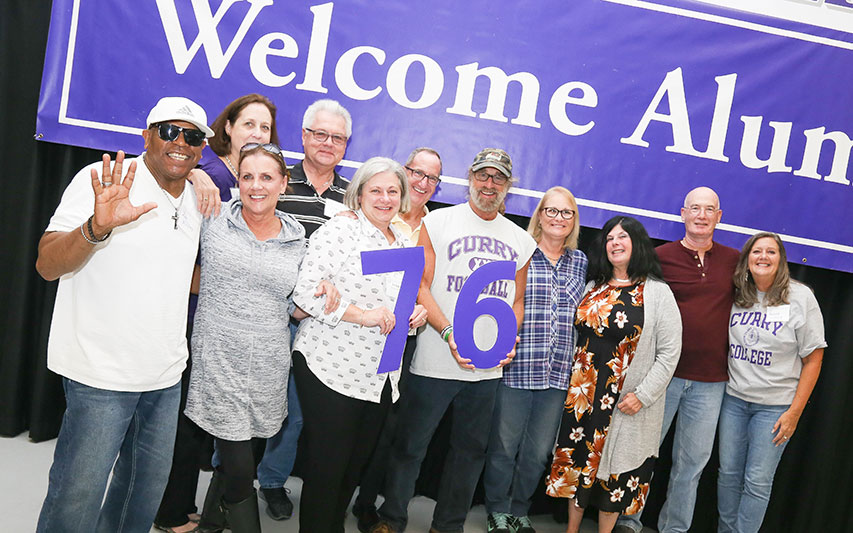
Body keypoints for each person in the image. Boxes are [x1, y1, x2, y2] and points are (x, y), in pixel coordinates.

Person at [34, 96, 213, 533]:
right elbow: (47, 264)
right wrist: (97, 228)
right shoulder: (102, 180)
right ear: (147, 136)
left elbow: (179, 271)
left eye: (192, 136)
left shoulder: (195, 198)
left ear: (201, 148)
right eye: (170, 131)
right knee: (76, 500)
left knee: (140, 498)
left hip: (165, 377)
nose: (180, 143)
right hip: (99, 374)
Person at [371, 148, 536, 533]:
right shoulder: (439, 222)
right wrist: (447, 332)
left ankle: (447, 525)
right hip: (434, 357)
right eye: (483, 176)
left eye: (498, 178)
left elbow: (517, 300)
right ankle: (392, 519)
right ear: (470, 178)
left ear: (508, 186)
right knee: (411, 447)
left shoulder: (520, 240)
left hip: (486, 369)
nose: (489, 184)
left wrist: (508, 338)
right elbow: (421, 286)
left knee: (470, 453)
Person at [155, 92, 281, 533]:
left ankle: (199, 511)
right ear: (227, 127)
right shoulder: (205, 170)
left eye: (264, 128)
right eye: (249, 124)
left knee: (212, 423)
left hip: (236, 323)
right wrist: (194, 175)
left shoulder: (253, 178)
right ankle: (171, 509)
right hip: (196, 312)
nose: (256, 134)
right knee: (189, 419)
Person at [291, 157, 428, 532]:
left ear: (402, 197)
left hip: (378, 378)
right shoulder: (341, 231)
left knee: (352, 471)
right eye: (376, 190)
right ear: (359, 194)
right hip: (330, 367)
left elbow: (397, 308)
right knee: (327, 471)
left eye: (392, 191)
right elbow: (305, 294)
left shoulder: (403, 242)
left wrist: (413, 316)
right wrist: (362, 314)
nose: (385, 198)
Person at [614, 187, 739, 533]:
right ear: (682, 213)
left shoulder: (734, 260)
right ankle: (628, 522)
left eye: (709, 209)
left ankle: (675, 528)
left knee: (692, 464)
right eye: (695, 208)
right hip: (661, 378)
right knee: (641, 454)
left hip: (712, 381)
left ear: (719, 216)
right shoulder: (659, 258)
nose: (701, 215)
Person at [547, 216, 682, 533]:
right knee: (578, 465)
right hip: (583, 395)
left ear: (637, 243)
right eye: (609, 238)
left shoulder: (657, 293)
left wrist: (644, 395)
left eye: (623, 237)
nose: (615, 243)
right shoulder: (594, 286)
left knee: (614, 475)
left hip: (624, 401)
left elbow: (670, 352)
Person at [255, 98, 353, 521]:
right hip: (264, 317)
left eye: (337, 137)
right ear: (304, 136)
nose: (328, 143)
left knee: (293, 415)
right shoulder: (277, 182)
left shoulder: (351, 196)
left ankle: (272, 482)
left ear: (346, 144)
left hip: (315, 325)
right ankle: (229, 486)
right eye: (320, 134)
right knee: (248, 407)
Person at [483, 186, 588, 533]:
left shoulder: (581, 262)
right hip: (517, 367)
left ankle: (519, 511)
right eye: (552, 211)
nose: (559, 219)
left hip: (559, 375)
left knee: (538, 453)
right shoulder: (520, 253)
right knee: (503, 448)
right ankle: (497, 510)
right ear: (540, 215)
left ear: (573, 221)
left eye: (566, 213)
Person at [351, 147, 443, 532]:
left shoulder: (436, 226)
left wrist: (421, 313)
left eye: (431, 178)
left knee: (385, 426)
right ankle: (329, 491)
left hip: (400, 340)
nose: (421, 183)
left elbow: (425, 285)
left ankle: (366, 501)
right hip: (354, 335)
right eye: (416, 173)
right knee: (346, 422)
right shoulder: (370, 212)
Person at [717, 232, 825, 533]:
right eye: (756, 251)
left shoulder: (801, 297)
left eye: (771, 252)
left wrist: (794, 413)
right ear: (747, 259)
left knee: (757, 482)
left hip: (775, 408)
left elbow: (813, 360)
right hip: (734, 401)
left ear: (781, 260)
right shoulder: (738, 293)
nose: (763, 257)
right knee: (728, 475)